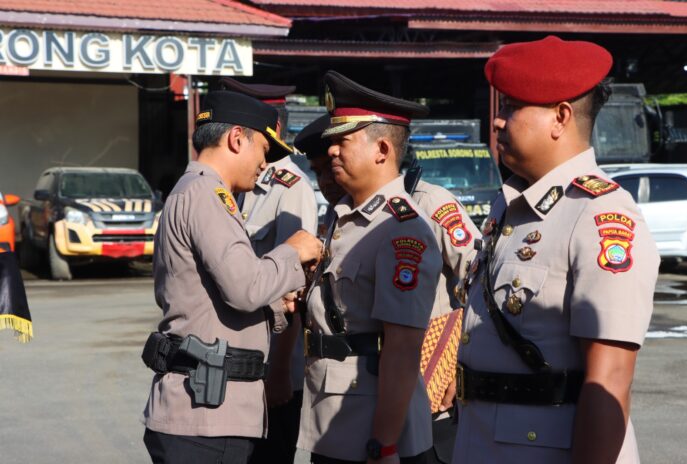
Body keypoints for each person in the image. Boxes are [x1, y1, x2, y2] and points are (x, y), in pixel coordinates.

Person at [453, 35, 659, 463]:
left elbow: (611, 382)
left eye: (511, 106)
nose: (497, 121)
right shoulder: (510, 205)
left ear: (560, 117)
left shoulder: (600, 215)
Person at [141, 90, 323, 464]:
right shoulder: (208, 194)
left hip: (209, 410)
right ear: (237, 139)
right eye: (263, 151)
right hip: (206, 418)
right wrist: (296, 249)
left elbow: (213, 298)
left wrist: (276, 305)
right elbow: (244, 288)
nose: (264, 164)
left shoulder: (198, 191)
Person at [295, 113, 480, 464]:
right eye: (317, 169)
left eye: (340, 149)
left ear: (381, 150)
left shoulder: (426, 205)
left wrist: (462, 361)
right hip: (352, 402)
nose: (325, 177)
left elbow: (477, 282)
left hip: (425, 385)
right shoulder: (343, 216)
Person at [221, 77, 318, 464]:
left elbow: (295, 288)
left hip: (272, 366)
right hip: (231, 359)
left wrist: (280, 371)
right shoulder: (229, 185)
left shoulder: (290, 188)